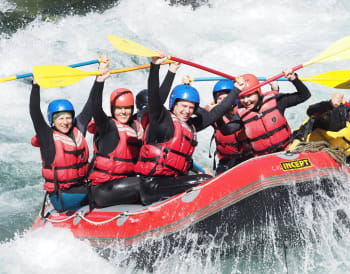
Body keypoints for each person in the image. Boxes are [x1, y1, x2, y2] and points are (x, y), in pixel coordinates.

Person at [134, 50, 246, 204]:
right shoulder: (162, 121)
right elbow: (155, 97)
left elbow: (216, 113)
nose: (187, 111)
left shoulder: (190, 126)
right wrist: (159, 68)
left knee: (207, 177)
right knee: (204, 180)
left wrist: (236, 90)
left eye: (191, 107)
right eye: (183, 106)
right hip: (152, 185)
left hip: (174, 182)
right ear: (174, 105)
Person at [87, 56, 184, 208]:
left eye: (127, 109)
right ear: (112, 109)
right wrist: (99, 81)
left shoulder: (137, 126)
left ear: (132, 109)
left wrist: (171, 71)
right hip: (104, 189)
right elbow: (95, 107)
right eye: (119, 109)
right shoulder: (107, 127)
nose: (123, 112)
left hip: (126, 183)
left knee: (156, 179)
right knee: (147, 184)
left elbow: (157, 102)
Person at [29, 59, 99, 211]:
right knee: (106, 192)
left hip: (81, 186)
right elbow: (35, 112)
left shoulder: (78, 128)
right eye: (60, 118)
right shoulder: (47, 137)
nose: (65, 122)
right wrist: (36, 85)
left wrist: (99, 79)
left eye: (68, 117)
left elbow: (92, 104)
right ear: (52, 121)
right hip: (63, 196)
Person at [217, 70, 311, 158]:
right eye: (242, 97)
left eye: (249, 95)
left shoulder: (276, 101)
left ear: (258, 92)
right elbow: (227, 131)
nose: (246, 101)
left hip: (287, 151)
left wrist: (293, 78)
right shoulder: (242, 114)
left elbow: (304, 95)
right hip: (264, 158)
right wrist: (218, 115)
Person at [291, 89, 350, 168]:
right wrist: (329, 104)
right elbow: (311, 111)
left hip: (324, 164)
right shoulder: (336, 115)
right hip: (300, 149)